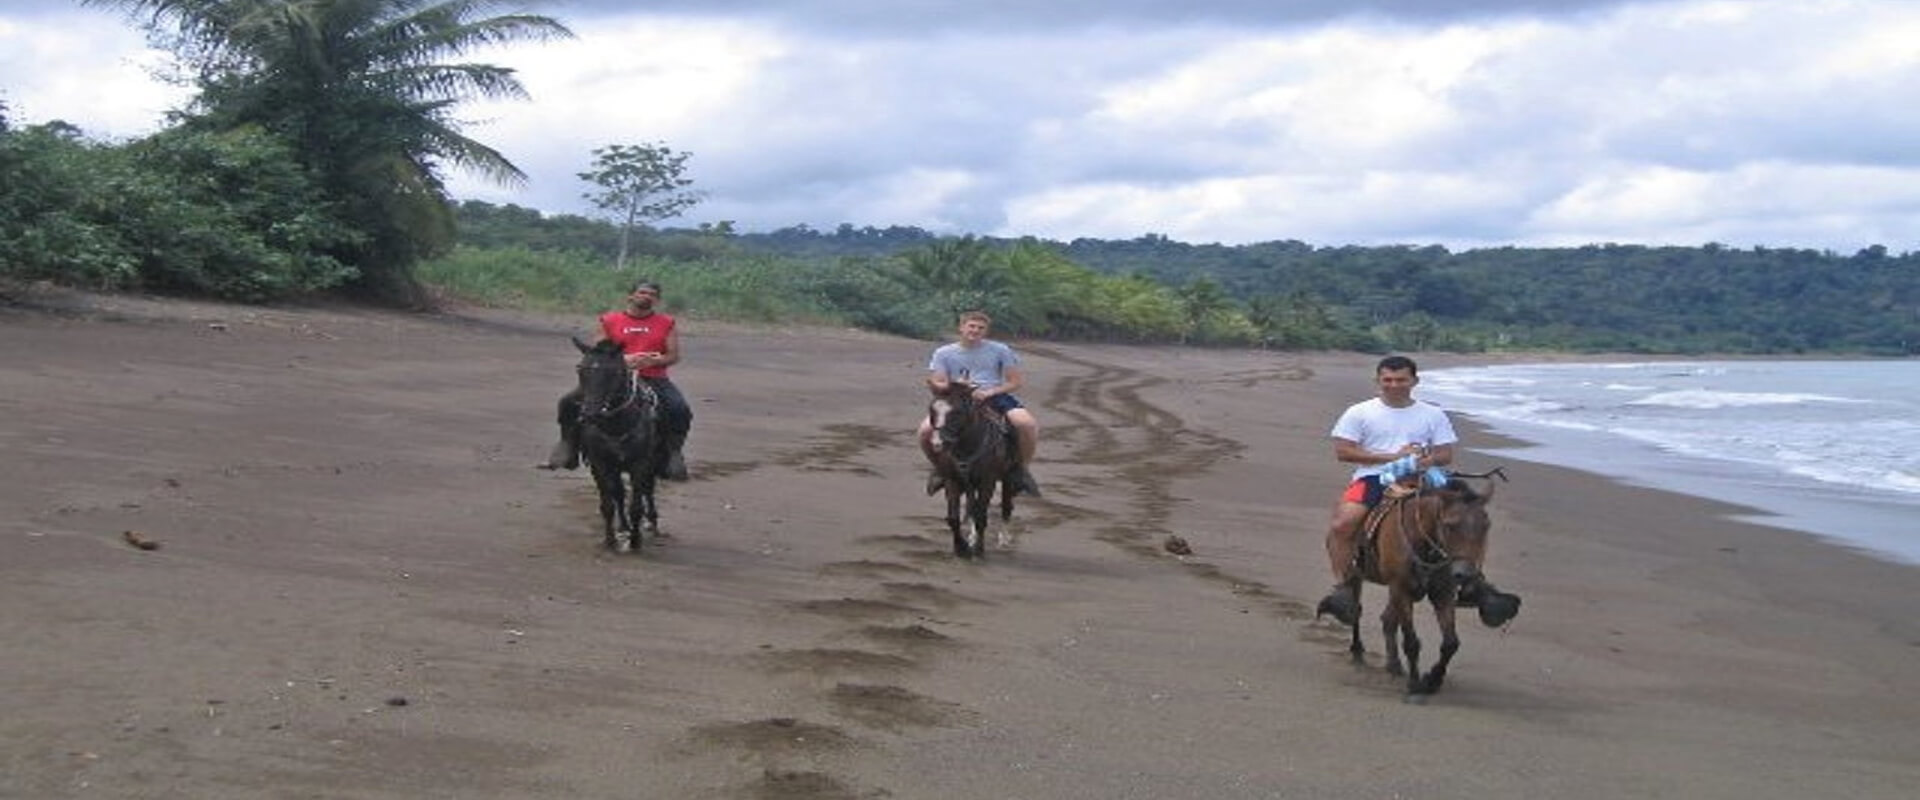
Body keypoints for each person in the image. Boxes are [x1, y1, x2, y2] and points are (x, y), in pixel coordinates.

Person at [1316, 355, 1458, 626]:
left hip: (1424, 477)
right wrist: (1393, 458)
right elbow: (1344, 452)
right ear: (1378, 381)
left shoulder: (1433, 413)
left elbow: (1445, 454)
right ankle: (1344, 585)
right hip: (1372, 478)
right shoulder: (1359, 412)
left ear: (1414, 381)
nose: (1394, 385)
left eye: (1401, 379)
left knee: (1467, 517)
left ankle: (1473, 580)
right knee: (1342, 524)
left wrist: (1423, 460)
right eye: (1388, 380)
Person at [541, 279, 693, 481]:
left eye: (651, 294)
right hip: (612, 378)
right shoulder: (610, 320)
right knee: (568, 402)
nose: (646, 296)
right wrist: (624, 360)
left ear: (657, 300)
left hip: (654, 376)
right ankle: (567, 446)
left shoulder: (666, 323)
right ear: (631, 296)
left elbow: (673, 356)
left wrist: (657, 359)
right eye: (642, 292)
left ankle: (674, 454)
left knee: (679, 409)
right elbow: (597, 354)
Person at [917, 310, 1043, 497]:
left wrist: (990, 391)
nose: (975, 331)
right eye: (971, 326)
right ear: (961, 328)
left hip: (993, 395)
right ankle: (940, 469)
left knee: (1026, 424)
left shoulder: (1000, 350)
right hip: (956, 398)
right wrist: (955, 385)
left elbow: (1014, 381)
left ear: (986, 332)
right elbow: (940, 383)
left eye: (980, 328)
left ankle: (1021, 470)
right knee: (925, 431)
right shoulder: (943, 353)